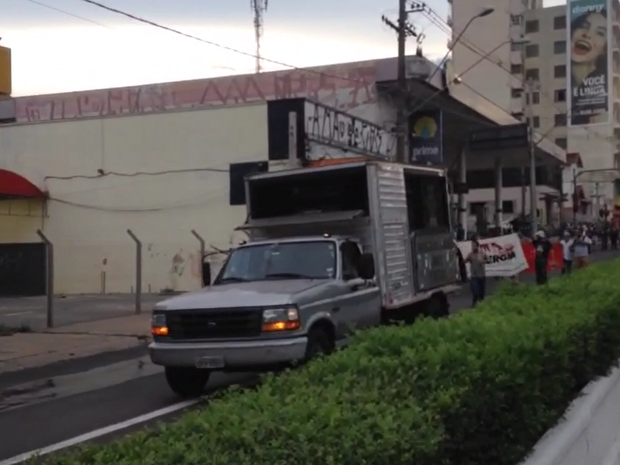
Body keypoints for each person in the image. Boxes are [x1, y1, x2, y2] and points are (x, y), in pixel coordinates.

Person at [569, 8, 609, 125]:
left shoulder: (603, 97)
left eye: (600, 33)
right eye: (583, 26)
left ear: (604, 50)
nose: (587, 35)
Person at [465, 239, 486, 307]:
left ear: (477, 246)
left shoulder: (482, 253)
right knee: (475, 292)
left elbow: (487, 260)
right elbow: (464, 261)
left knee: (481, 294)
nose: (473, 247)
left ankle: (481, 306)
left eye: (474, 246)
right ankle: (473, 305)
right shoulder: (470, 255)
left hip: (481, 276)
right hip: (474, 276)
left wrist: (482, 261)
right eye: (472, 246)